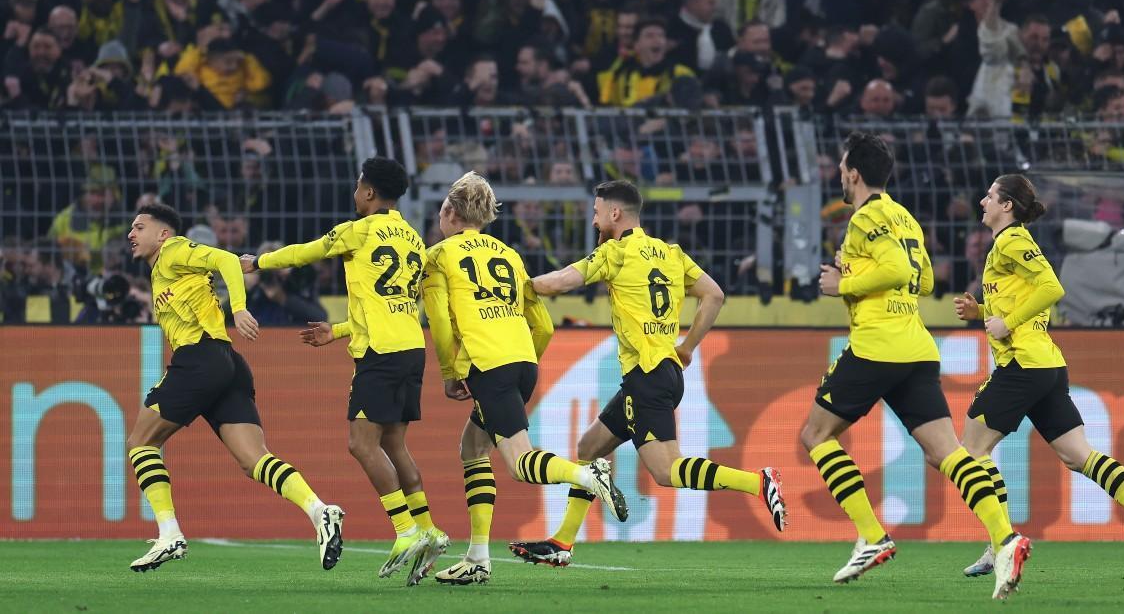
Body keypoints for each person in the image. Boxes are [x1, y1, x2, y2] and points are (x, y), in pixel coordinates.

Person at [509, 180, 787, 567]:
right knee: (590, 449)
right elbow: (715, 294)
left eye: (596, 210)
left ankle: (758, 482)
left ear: (615, 214)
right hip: (666, 372)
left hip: (646, 377)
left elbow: (556, 284)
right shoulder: (671, 253)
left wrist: (509, 286)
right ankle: (563, 542)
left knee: (667, 471)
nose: (593, 218)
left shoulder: (615, 253)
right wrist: (687, 347)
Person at [802, 132, 1029, 599]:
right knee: (945, 452)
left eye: (842, 169)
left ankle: (871, 535)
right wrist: (859, 272)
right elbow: (925, 279)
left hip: (876, 346)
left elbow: (899, 273)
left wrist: (843, 281)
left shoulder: (865, 218)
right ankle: (1006, 538)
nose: (839, 176)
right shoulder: (904, 216)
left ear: (853, 173)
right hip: (916, 348)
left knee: (816, 436)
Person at [954, 174, 1124, 577]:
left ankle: (1002, 543)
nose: (982, 200)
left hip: (1022, 365)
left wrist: (1007, 322)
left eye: (989, 195)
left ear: (1007, 206)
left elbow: (1051, 287)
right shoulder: (1008, 244)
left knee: (970, 451)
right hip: (1046, 366)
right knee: (1078, 456)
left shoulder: (1011, 240)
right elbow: (1022, 300)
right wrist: (983, 312)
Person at [240, 157, 448, 583]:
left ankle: (406, 530)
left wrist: (257, 263)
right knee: (394, 444)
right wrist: (335, 331)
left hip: (380, 354)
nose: (355, 194)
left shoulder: (359, 230)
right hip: (411, 347)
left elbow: (305, 253)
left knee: (360, 443)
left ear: (368, 192)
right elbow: (388, 304)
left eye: (358, 187)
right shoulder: (412, 238)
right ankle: (428, 528)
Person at [421, 172, 628, 585]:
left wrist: (451, 372)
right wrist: (520, 362)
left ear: (451, 212)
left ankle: (589, 475)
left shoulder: (438, 257)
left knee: (518, 462)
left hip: (489, 364)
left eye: (442, 207)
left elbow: (441, 323)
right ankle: (477, 557)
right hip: (523, 362)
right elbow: (545, 326)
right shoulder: (510, 256)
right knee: (472, 446)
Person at [124, 203, 343, 573]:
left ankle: (169, 533)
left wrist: (238, 309)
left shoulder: (174, 249)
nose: (131, 234)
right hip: (226, 364)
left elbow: (226, 260)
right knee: (253, 459)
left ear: (162, 233)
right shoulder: (163, 271)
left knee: (140, 443)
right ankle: (320, 510)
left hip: (199, 359)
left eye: (139, 226)